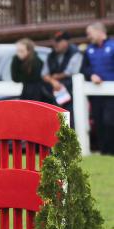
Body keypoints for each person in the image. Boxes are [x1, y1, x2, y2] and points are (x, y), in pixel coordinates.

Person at [82, 22, 114, 155]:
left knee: (109, 121)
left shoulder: (112, 46)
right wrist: (91, 75)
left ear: (99, 31)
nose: (88, 36)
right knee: (99, 122)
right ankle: (104, 152)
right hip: (95, 94)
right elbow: (84, 69)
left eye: (90, 33)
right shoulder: (89, 50)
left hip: (111, 93)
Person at [43, 31, 82, 112]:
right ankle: (64, 125)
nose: (55, 44)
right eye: (55, 42)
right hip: (56, 92)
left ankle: (71, 125)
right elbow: (44, 74)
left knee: (72, 114)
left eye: (58, 42)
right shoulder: (51, 55)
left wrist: (55, 77)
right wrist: (53, 81)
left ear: (65, 42)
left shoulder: (75, 53)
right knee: (60, 114)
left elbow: (71, 71)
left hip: (72, 90)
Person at [10, 38, 50, 103]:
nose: (19, 54)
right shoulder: (16, 60)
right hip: (26, 91)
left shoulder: (37, 62)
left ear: (28, 51)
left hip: (37, 93)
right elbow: (15, 78)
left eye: (22, 51)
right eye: (17, 51)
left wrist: (23, 77)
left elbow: (35, 78)